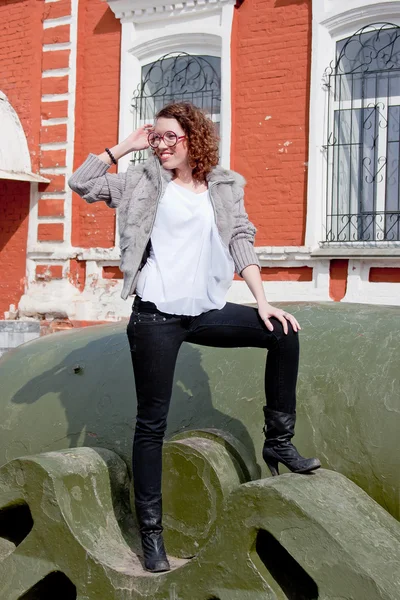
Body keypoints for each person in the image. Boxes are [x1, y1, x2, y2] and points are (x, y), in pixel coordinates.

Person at [68, 101, 320, 574]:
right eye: (156, 137)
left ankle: (279, 442)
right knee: (152, 424)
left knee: (282, 334)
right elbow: (80, 183)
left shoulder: (222, 187)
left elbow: (240, 238)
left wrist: (262, 301)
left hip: (203, 311)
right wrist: (127, 145)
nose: (161, 145)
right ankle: (152, 536)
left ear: (193, 138)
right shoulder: (142, 181)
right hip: (156, 316)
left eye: (170, 138)